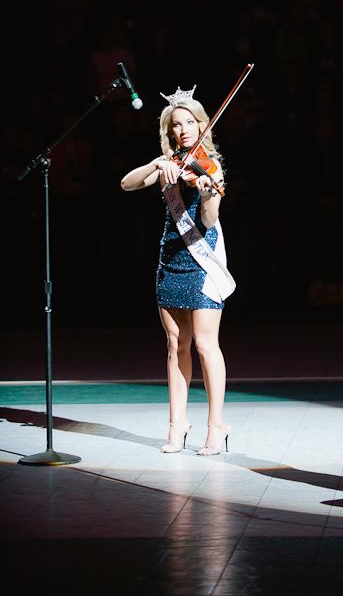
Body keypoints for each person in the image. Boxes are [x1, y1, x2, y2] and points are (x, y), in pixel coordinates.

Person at [120, 86, 234, 456]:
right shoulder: (170, 165)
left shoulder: (209, 165)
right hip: (170, 261)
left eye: (190, 122)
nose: (184, 129)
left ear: (201, 124)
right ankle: (177, 423)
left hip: (201, 261)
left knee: (204, 344)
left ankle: (217, 426)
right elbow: (126, 184)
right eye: (177, 124)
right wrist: (157, 164)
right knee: (175, 344)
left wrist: (207, 192)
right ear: (170, 130)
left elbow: (209, 220)